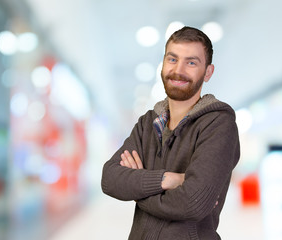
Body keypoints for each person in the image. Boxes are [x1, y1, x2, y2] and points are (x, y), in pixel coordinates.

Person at [101, 26, 240, 239]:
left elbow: (193, 203)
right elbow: (110, 178)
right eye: (172, 59)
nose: (178, 70)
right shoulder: (148, 123)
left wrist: (138, 190)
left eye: (191, 62)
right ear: (163, 64)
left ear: (208, 72)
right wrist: (168, 180)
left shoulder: (219, 124)